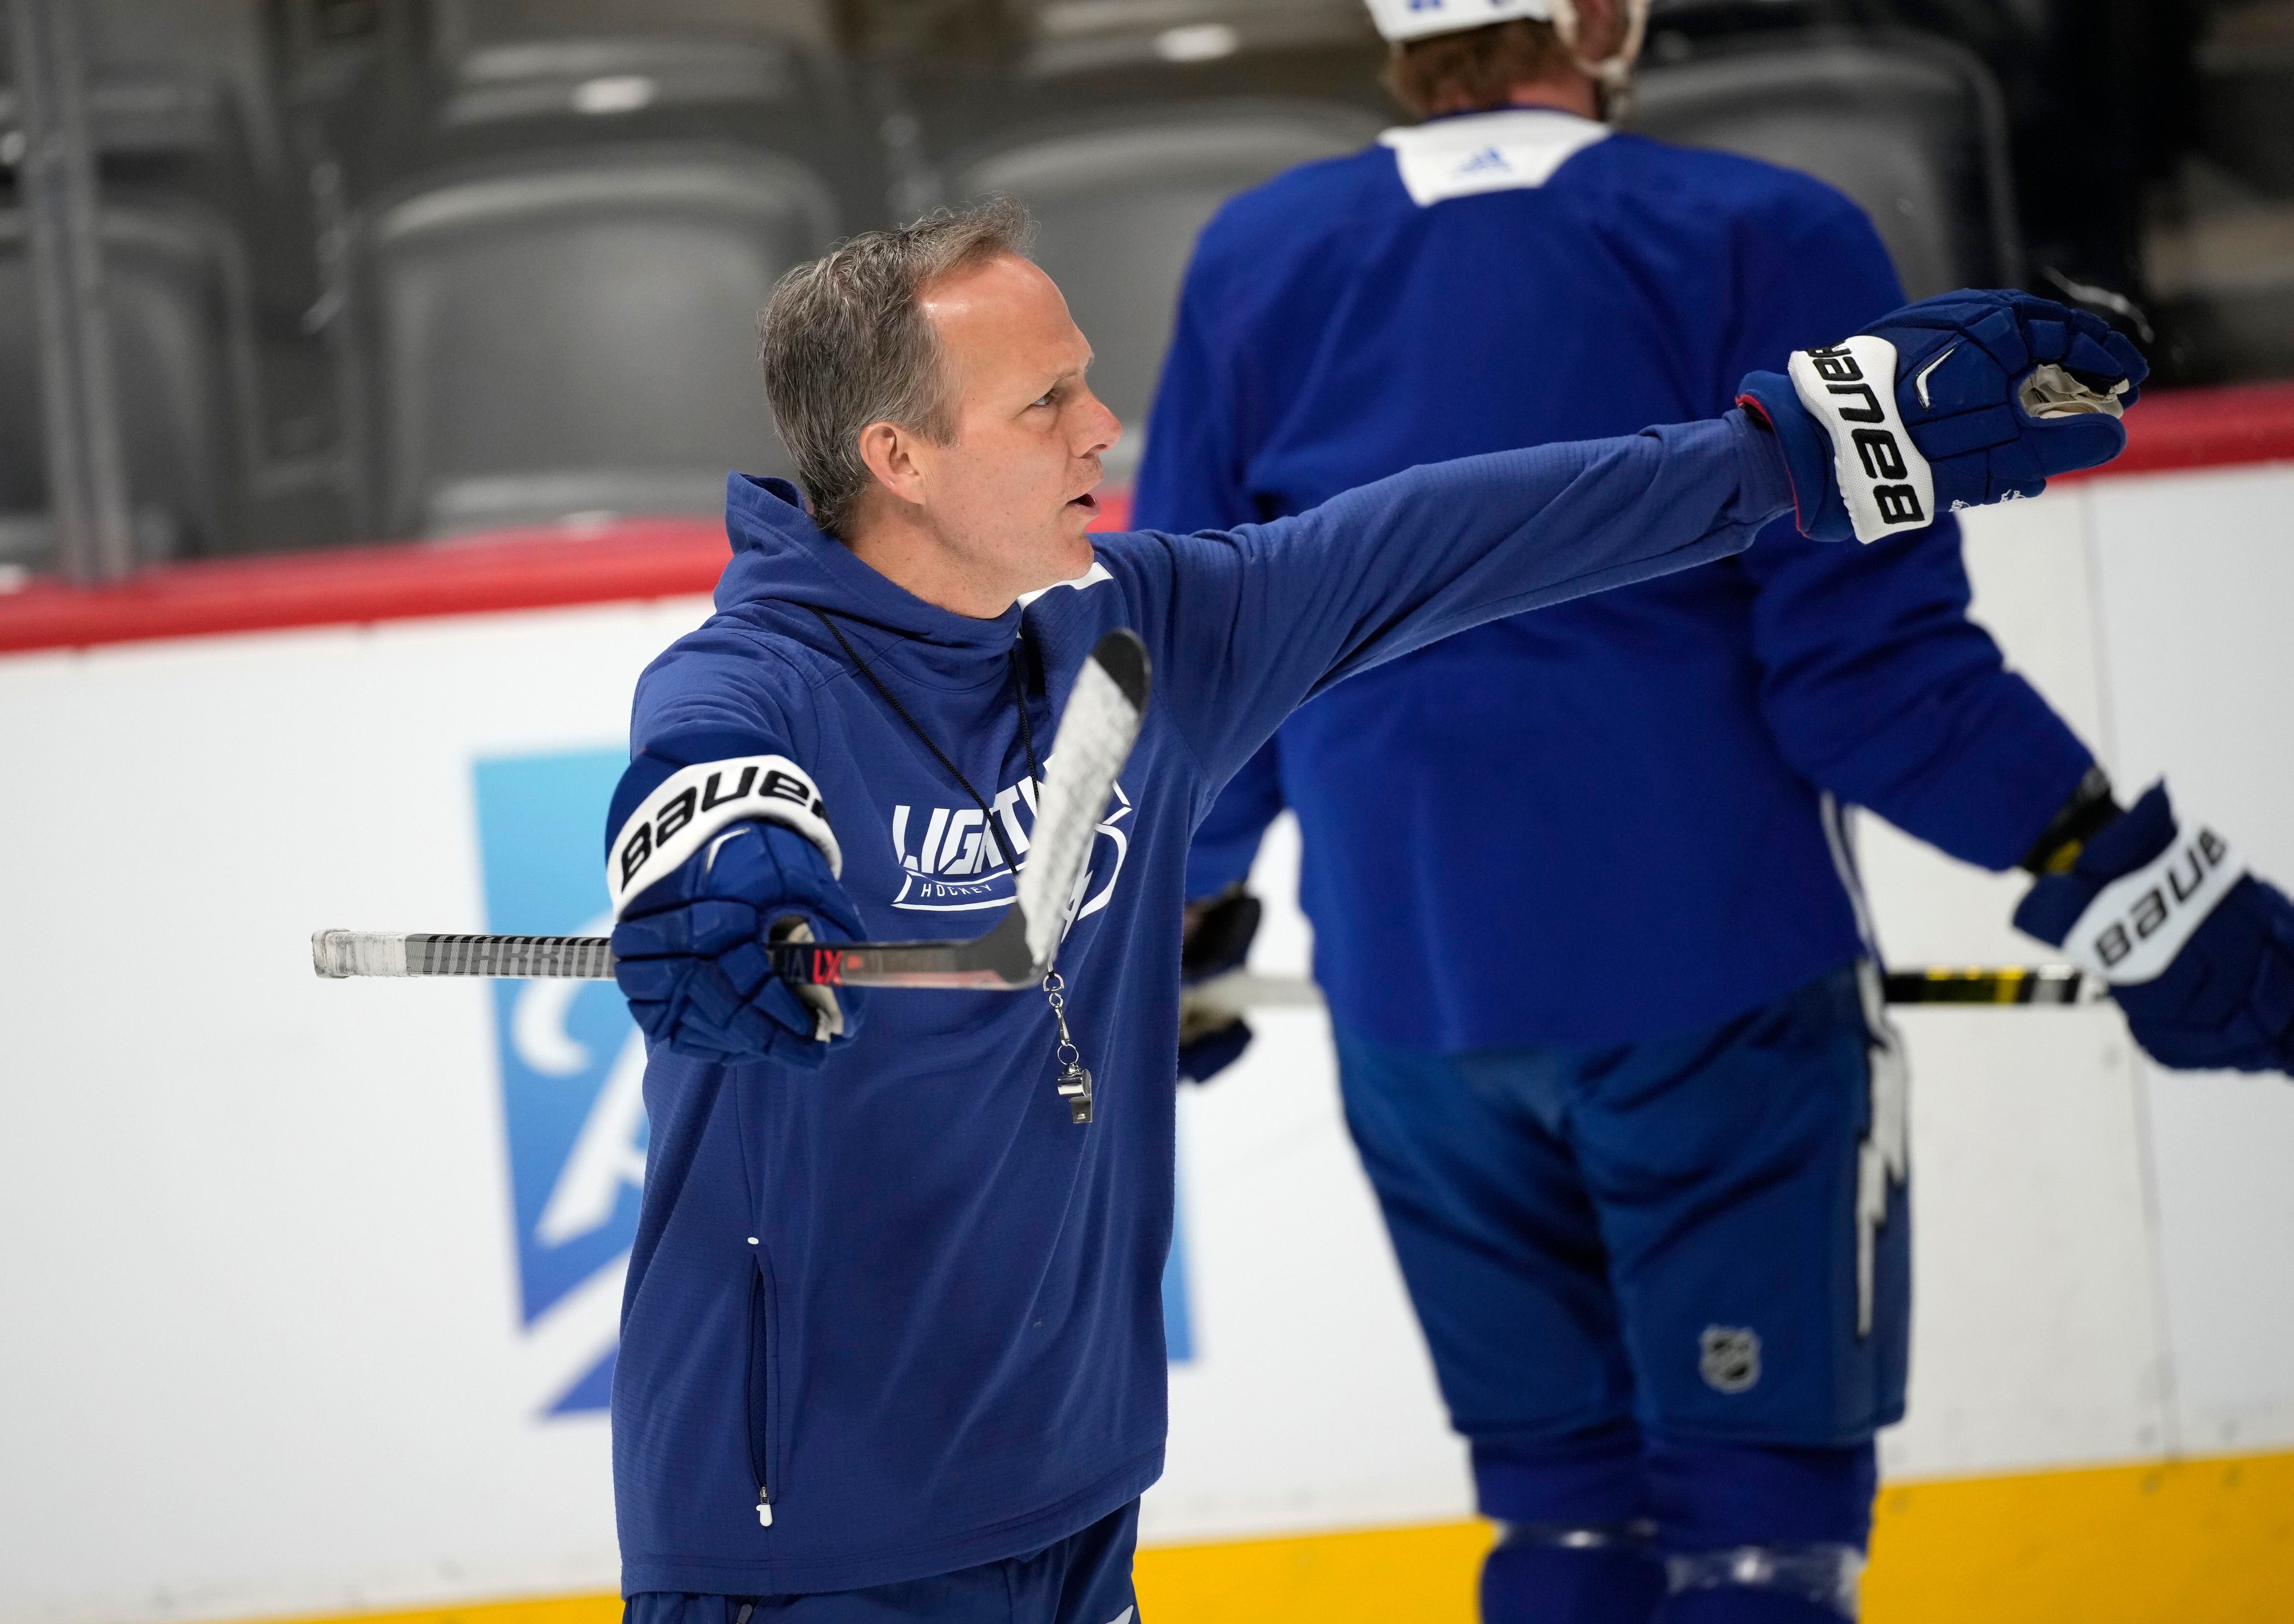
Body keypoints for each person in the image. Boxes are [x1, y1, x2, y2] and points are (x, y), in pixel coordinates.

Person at [599, 193, 2140, 1624]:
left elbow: (1455, 536)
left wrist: (1795, 450)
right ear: (900, 458)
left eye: (1086, 381)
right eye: (1045, 403)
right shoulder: (758, 688)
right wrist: (721, 900)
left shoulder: (1138, 644)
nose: (1104, 427)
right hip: (798, 1557)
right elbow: (712, 800)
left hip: (1073, 1515)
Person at [1135, 4, 2294, 1622]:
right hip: (1719, 995)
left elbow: (1204, 647)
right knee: (1759, 1546)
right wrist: (2133, 879)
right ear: (1601, 18)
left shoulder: (1256, 256)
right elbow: (1870, 675)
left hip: (1416, 1025)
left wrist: (1176, 928)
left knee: (1563, 1535)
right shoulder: (1765, 231)